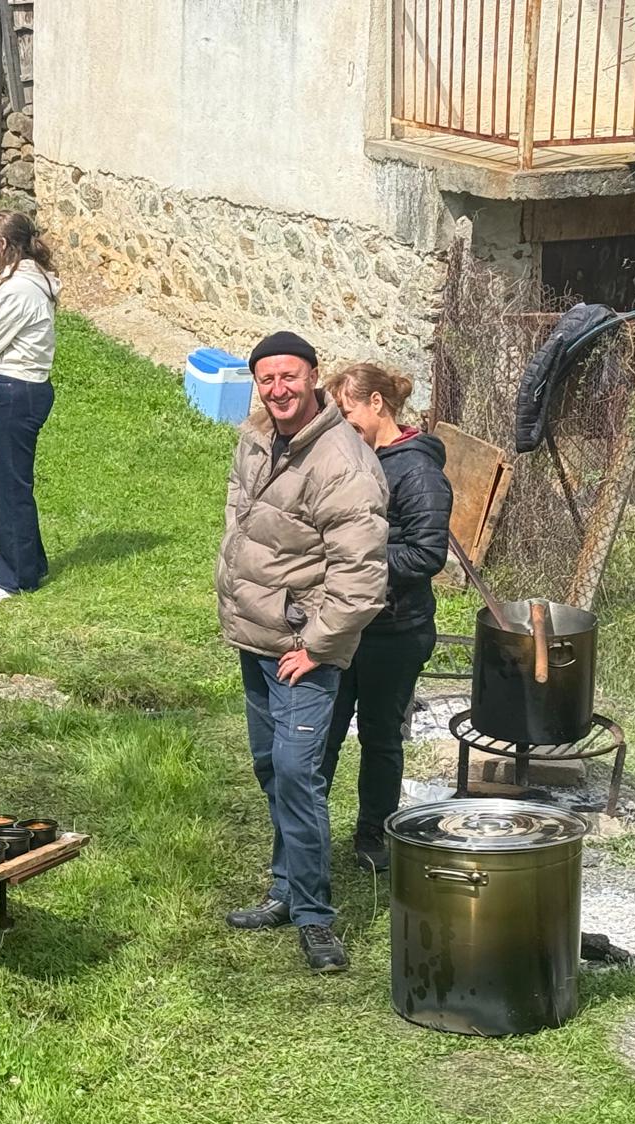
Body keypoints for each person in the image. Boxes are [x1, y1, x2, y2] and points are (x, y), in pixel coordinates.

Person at [216, 331, 388, 973]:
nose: (278, 389)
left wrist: (318, 644)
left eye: (289, 376)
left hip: (300, 647)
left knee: (297, 773)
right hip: (255, 633)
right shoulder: (257, 436)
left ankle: (315, 916)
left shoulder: (342, 461)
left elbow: (361, 574)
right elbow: (240, 516)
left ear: (314, 376)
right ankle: (285, 890)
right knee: (272, 768)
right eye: (267, 379)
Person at [318, 364, 452, 873]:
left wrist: (355, 560)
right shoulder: (357, 457)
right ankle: (308, 838)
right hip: (345, 626)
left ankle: (372, 836)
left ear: (377, 403)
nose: (342, 422)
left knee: (379, 737)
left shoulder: (418, 471)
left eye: (347, 410)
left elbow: (426, 554)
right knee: (322, 734)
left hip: (394, 631)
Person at [0, 210, 61, 605]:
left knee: (8, 488)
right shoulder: (32, 277)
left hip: (16, 392)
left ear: (3, 244)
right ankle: (32, 563)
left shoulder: (18, 289)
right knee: (16, 483)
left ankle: (13, 578)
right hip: (28, 389)